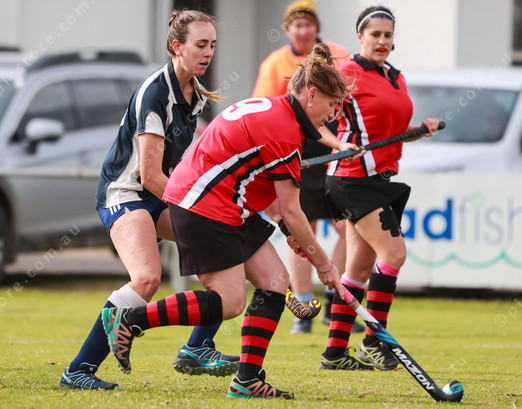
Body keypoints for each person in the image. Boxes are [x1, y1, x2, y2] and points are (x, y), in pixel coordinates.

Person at [101, 43, 355, 399]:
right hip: (204, 205)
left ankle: (247, 380)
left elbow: (270, 195)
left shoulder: (275, 110)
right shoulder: (283, 129)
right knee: (230, 300)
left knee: (275, 280)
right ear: (311, 94)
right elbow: (293, 209)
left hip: (225, 202)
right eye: (332, 105)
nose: (333, 116)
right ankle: (130, 320)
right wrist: (325, 266)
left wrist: (291, 231)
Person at [59, 10, 238, 391]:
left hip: (160, 195)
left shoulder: (194, 93)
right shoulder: (156, 93)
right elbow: (151, 176)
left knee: (221, 252)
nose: (208, 53)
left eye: (212, 45)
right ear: (177, 46)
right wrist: (199, 206)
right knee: (147, 278)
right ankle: (78, 371)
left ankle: (198, 348)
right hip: (126, 194)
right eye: (200, 45)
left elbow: (181, 163)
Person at [318, 6, 441, 371]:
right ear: (361, 37)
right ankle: (375, 341)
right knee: (395, 253)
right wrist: (338, 144)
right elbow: (312, 120)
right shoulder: (347, 73)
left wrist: (419, 131)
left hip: (378, 179)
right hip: (351, 178)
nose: (382, 41)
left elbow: (390, 131)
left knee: (357, 271)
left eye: (388, 35)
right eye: (375, 34)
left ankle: (334, 354)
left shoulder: (396, 77)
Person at [253, 0, 363, 334]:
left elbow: (350, 102)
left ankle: (335, 303)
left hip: (334, 160)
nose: (303, 30)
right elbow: (268, 111)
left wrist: (344, 143)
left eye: (308, 24)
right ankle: (303, 308)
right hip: (297, 159)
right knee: (302, 231)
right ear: (288, 30)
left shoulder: (338, 54)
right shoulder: (276, 63)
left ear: (317, 28)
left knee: (348, 229)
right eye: (297, 25)